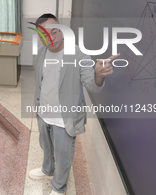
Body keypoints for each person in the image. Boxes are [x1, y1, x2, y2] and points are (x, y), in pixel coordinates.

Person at [28, 13, 119, 195]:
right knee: (46, 146)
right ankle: (47, 170)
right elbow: (42, 83)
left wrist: (99, 74)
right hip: (44, 113)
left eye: (55, 32)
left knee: (63, 156)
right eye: (44, 35)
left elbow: (93, 86)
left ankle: (59, 188)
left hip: (65, 119)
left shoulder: (79, 54)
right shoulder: (40, 54)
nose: (51, 38)